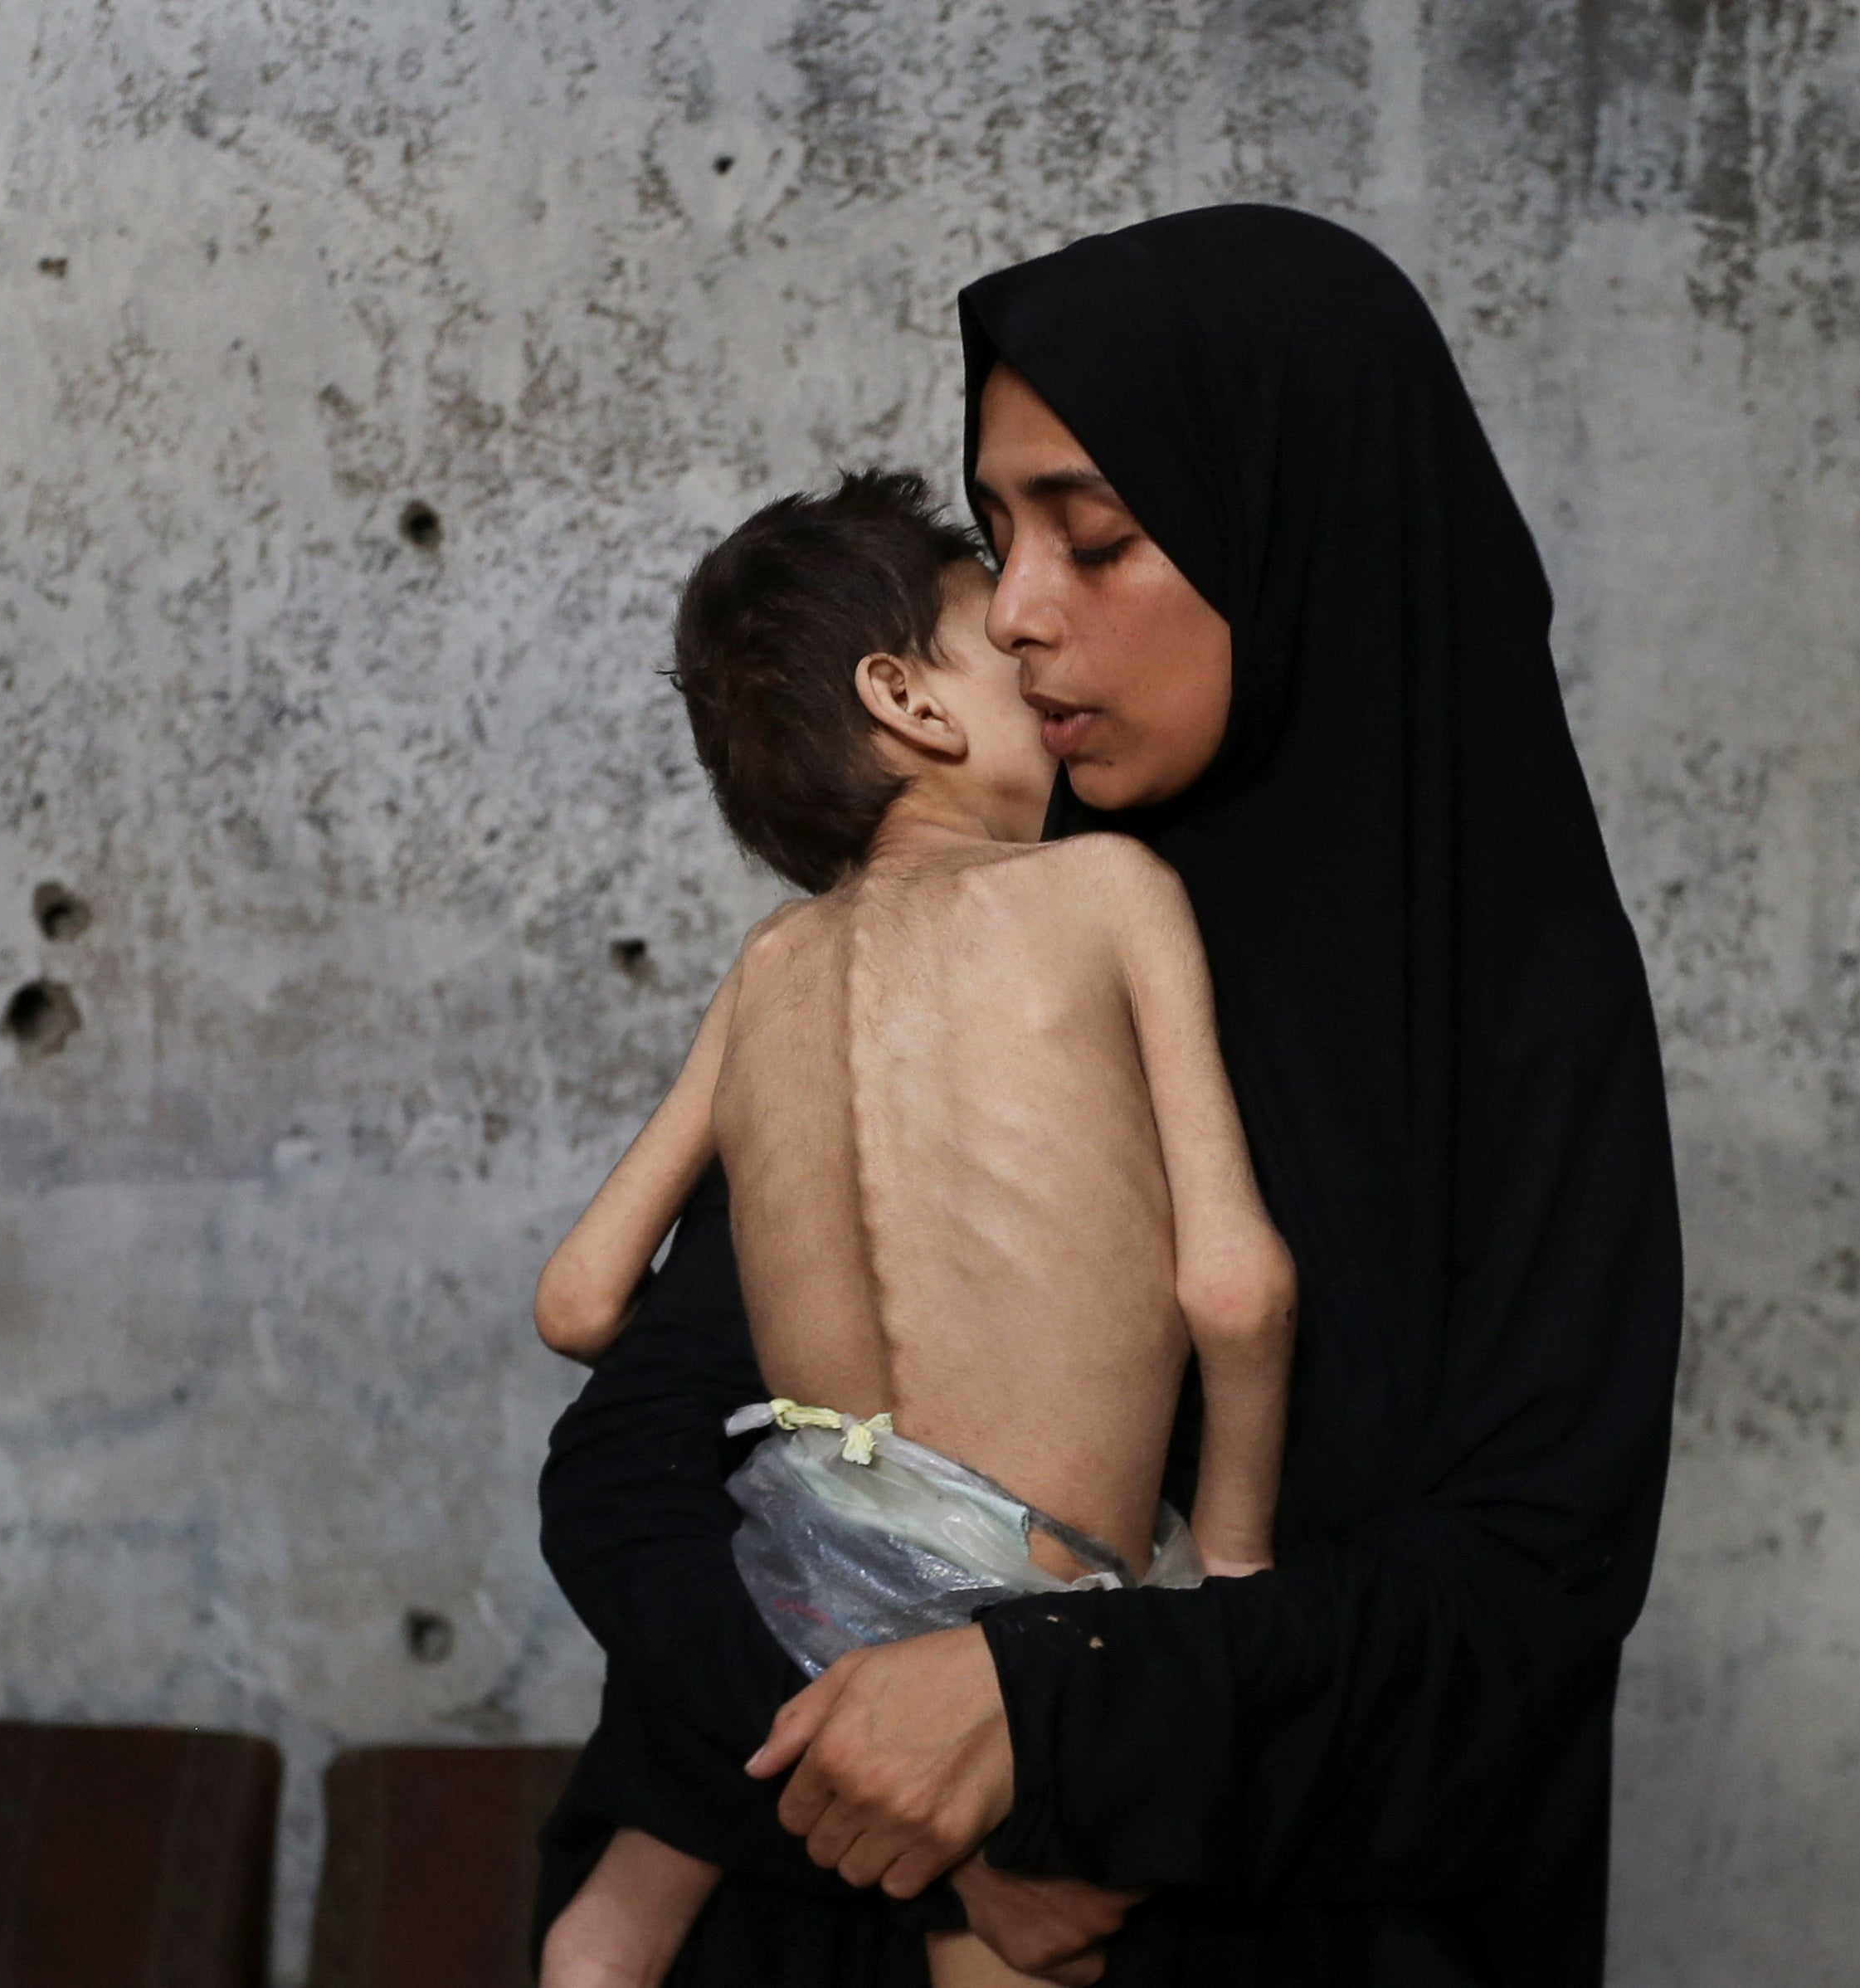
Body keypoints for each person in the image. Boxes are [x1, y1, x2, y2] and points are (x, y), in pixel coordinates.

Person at [536, 205, 1683, 1987]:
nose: (1013, 609)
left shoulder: (1511, 1011)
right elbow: (638, 1458)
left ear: (1290, 530)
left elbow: (1515, 1600)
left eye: (1099, 539)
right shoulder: (974, 936)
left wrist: (1041, 1725)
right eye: (997, 540)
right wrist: (919, 1808)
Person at [533, 472, 1298, 1988]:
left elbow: (577, 1301)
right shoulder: (1106, 892)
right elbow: (1234, 1287)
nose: (1042, 673)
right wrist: (1231, 1583)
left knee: (613, 1917)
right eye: (1000, 657)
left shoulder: (769, 964)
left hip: (784, 1565)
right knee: (1009, 1944)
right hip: (1009, 1610)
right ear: (908, 700)